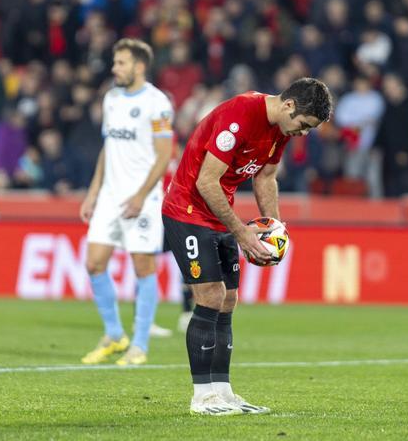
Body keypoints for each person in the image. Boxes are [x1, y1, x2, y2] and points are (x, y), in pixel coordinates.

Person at [162, 77, 333, 415]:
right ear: (288, 105)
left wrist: (275, 230)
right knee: (210, 295)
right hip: (188, 210)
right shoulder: (241, 115)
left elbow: (266, 177)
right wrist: (243, 234)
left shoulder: (279, 131)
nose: (302, 133)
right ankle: (202, 397)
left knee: (228, 299)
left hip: (219, 213)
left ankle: (223, 392)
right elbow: (206, 180)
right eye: (303, 125)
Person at [79, 39, 174, 366]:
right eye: (115, 62)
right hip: (109, 196)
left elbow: (165, 156)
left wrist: (140, 195)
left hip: (142, 199)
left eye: (121, 63)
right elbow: (108, 148)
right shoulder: (112, 99)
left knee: (143, 268)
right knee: (94, 263)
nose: (114, 68)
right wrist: (93, 192)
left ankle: (140, 345)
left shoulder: (157, 103)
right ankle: (114, 334)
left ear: (139, 66)